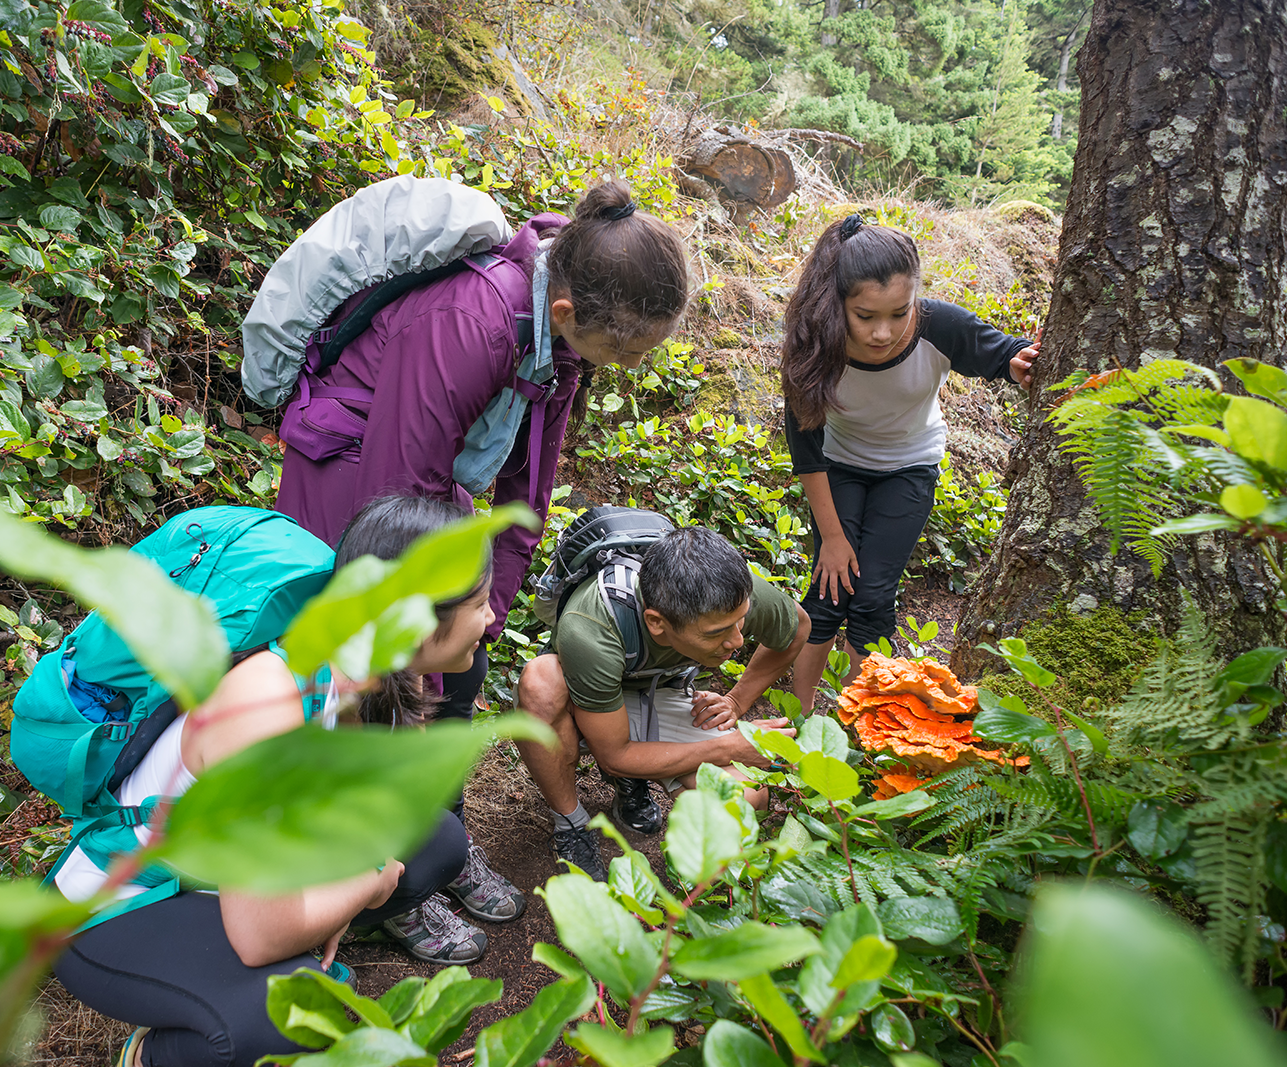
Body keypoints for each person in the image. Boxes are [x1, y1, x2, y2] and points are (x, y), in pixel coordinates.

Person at [271, 180, 692, 855]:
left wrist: (485, 610)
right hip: (350, 476)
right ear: (565, 311)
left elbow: (528, 492)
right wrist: (427, 648)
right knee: (372, 677)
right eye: (632, 350)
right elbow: (396, 499)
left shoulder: (560, 338)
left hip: (431, 481)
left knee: (464, 666)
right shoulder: (471, 320)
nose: (636, 364)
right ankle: (376, 868)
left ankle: (438, 833)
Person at [53, 496, 501, 1067]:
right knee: (284, 1015)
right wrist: (365, 886)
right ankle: (154, 1054)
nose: (491, 620)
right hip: (124, 904)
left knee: (433, 840)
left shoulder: (357, 673)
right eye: (481, 603)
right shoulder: (269, 703)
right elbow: (259, 935)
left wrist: (338, 893)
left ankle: (245, 968)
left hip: (215, 882)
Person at [779, 214, 1042, 714]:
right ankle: (799, 716)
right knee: (828, 591)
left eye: (899, 313)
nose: (883, 332)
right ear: (837, 303)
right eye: (865, 315)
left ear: (915, 299)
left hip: (909, 465)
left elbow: (1004, 354)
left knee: (872, 598)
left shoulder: (939, 325)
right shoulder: (813, 345)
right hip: (838, 466)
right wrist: (832, 540)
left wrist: (1020, 364)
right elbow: (807, 452)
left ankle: (860, 725)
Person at [513, 526, 811, 881]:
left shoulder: (729, 592)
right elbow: (615, 755)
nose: (736, 640)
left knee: (746, 797)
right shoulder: (591, 627)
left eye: (740, 621)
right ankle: (572, 823)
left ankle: (635, 789)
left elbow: (797, 629)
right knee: (540, 682)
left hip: (661, 689)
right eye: (716, 632)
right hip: (587, 695)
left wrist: (736, 700)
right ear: (656, 623)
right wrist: (727, 747)